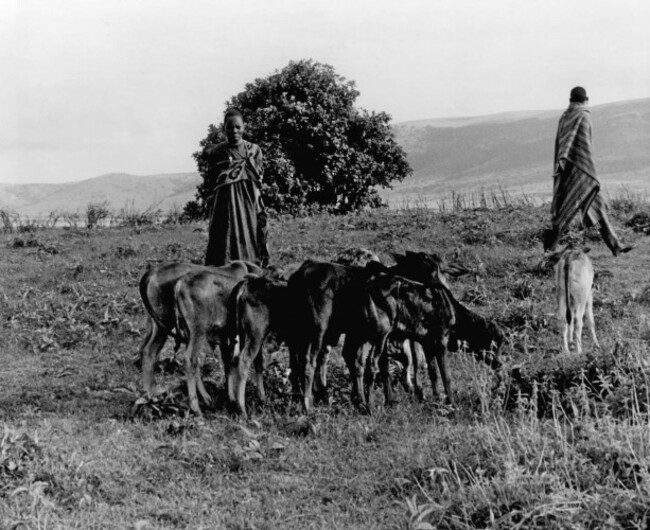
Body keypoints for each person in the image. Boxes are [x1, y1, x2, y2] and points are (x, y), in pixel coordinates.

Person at [544, 86, 633, 256]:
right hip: (582, 172)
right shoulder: (583, 116)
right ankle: (548, 252)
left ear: (571, 99)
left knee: (596, 207)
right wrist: (589, 168)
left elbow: (562, 145)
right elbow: (585, 146)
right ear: (586, 99)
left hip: (567, 171)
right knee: (564, 214)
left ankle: (616, 246)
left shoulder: (565, 117)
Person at [204, 108, 270, 267]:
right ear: (224, 128)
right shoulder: (216, 152)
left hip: (247, 202)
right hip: (224, 204)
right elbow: (212, 181)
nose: (234, 130)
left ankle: (250, 267)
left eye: (237, 127)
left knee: (248, 233)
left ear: (244, 127)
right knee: (224, 235)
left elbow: (258, 179)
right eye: (230, 127)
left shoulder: (254, 150)